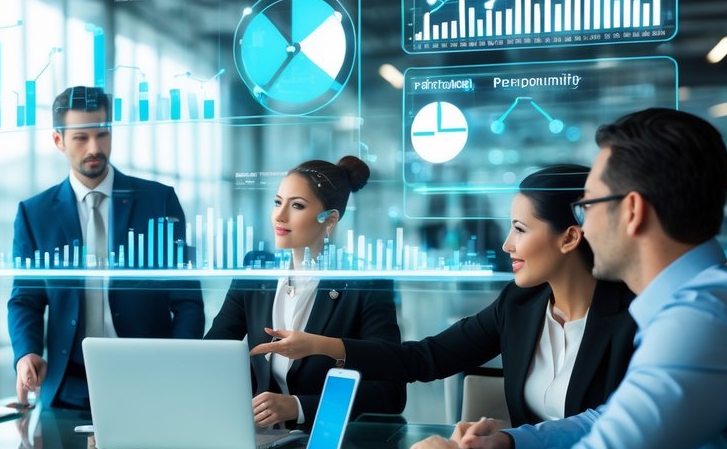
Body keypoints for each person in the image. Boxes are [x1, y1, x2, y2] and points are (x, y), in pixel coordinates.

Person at [397, 108, 727, 449]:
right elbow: (611, 419)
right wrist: (511, 441)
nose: (583, 229)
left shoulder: (702, 319)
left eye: (588, 207)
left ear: (632, 210)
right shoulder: (699, 305)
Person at [260, 165, 636, 427]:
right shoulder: (520, 305)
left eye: (520, 229)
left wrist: (510, 443)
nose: (506, 244)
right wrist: (323, 346)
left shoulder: (631, 318)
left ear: (570, 237)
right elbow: (426, 359)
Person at [7, 86, 205, 409]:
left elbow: (187, 302)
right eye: (81, 138)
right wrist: (26, 352)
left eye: (102, 134)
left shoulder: (159, 201)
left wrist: (177, 365)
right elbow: (25, 300)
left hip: (150, 383)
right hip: (66, 389)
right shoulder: (34, 214)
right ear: (58, 141)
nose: (95, 148)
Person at [206, 156, 405, 425]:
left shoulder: (365, 283)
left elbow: (390, 394)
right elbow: (213, 352)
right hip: (262, 438)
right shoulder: (256, 270)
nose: (280, 215)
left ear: (330, 219)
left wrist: (298, 407)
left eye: (297, 205)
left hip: (334, 446)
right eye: (278, 202)